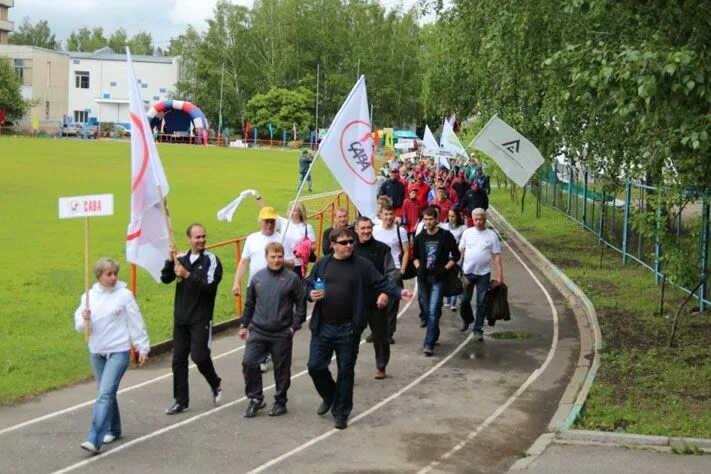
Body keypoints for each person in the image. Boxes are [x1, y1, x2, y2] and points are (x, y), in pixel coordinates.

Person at [306, 227, 413, 429]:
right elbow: (308, 284)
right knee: (315, 366)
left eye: (351, 242)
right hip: (323, 327)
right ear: (333, 245)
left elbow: (381, 282)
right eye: (344, 242)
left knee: (345, 371)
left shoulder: (362, 265)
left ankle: (341, 412)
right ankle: (330, 395)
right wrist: (310, 293)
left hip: (348, 328)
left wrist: (399, 292)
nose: (349, 245)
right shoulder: (322, 264)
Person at [74, 258, 150, 453]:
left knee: (105, 393)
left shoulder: (124, 295)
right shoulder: (88, 297)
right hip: (97, 351)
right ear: (99, 276)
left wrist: (142, 347)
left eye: (115, 273)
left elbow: (136, 321)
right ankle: (113, 428)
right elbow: (80, 327)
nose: (113, 277)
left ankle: (94, 438)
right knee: (106, 392)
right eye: (109, 274)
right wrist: (84, 318)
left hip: (119, 350)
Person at [239, 242, 307, 418]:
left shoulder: (292, 278)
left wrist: (293, 327)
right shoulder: (257, 278)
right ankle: (255, 399)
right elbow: (249, 304)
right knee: (249, 363)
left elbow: (301, 305)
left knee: (281, 369)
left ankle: (280, 401)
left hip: (282, 333)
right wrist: (244, 325)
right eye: (272, 257)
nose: (276, 260)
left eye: (279, 257)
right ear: (266, 257)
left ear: (283, 257)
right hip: (259, 331)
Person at [161, 224, 223, 415]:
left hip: (200, 318)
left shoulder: (211, 260)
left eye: (203, 236)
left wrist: (188, 275)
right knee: (178, 360)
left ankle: (215, 381)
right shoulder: (180, 259)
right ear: (189, 239)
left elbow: (210, 286)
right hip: (181, 318)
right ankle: (181, 400)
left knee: (199, 356)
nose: (202, 240)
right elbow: (165, 278)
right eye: (197, 237)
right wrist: (170, 261)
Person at [233, 205, 295, 373]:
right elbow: (244, 261)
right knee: (254, 319)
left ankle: (265, 354)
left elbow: (292, 263)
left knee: (268, 321)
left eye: (272, 221)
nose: (269, 224)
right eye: (266, 221)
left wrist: (279, 261)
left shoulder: (283, 238)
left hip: (275, 287)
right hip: (255, 286)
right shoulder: (252, 238)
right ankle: (259, 351)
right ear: (260, 221)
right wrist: (237, 281)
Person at [354, 216, 399, 380]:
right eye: (362, 228)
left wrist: (386, 293)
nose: (366, 231)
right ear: (356, 229)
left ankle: (381, 366)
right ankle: (348, 368)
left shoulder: (382, 249)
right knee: (351, 339)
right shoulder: (350, 249)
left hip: (377, 301)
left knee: (380, 336)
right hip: (355, 302)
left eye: (368, 228)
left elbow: (392, 274)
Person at [413, 207, 460, 356]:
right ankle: (434, 332)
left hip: (438, 278)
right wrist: (418, 267)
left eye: (431, 219)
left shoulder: (446, 236)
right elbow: (414, 256)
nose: (428, 222)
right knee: (427, 311)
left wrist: (445, 269)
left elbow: (456, 256)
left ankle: (428, 344)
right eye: (425, 219)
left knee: (433, 311)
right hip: (423, 278)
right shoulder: (419, 238)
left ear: (436, 219)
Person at [459, 208, 504, 340]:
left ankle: (478, 329)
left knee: (481, 302)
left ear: (485, 219)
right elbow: (461, 251)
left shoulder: (492, 235)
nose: (478, 222)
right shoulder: (467, 233)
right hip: (467, 272)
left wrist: (500, 274)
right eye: (476, 219)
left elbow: (496, 256)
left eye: (481, 219)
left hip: (484, 274)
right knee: (464, 300)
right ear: (472, 220)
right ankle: (467, 318)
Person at [372, 202, 409, 343]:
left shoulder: (400, 231)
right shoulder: (375, 230)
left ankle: (389, 332)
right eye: (385, 214)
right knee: (376, 303)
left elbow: (406, 251)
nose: (388, 217)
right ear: (380, 215)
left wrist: (402, 270)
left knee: (392, 304)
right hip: (378, 271)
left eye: (390, 214)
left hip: (394, 271)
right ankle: (376, 331)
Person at [277, 200, 316, 278]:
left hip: (297, 264)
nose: (291, 212)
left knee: (296, 288)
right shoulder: (284, 222)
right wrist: (258, 197)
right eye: (290, 209)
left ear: (300, 212)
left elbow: (314, 246)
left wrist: (304, 247)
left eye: (294, 210)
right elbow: (266, 213)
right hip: (282, 261)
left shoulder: (307, 227)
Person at [440, 208, 467, 311]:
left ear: (458, 217)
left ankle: (453, 302)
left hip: (457, 256)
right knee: (446, 276)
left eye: (453, 216)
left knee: (455, 277)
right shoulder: (444, 226)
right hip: (446, 256)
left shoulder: (463, 228)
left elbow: (465, 243)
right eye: (449, 216)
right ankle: (447, 299)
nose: (450, 218)